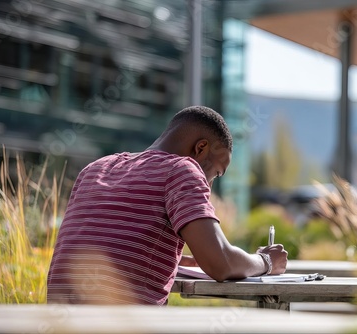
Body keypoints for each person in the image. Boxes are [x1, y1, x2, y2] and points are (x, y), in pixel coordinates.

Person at [47, 105, 288, 305]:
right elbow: (221, 264)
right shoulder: (181, 169)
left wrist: (178, 259)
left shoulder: (95, 169)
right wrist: (266, 261)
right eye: (215, 174)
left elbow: (106, 244)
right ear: (200, 148)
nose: (210, 187)